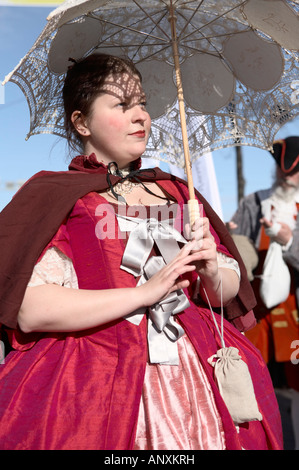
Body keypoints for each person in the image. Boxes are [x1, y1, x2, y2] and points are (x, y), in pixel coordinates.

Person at [0, 54, 282, 450]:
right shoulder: (58, 195)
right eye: (122, 104)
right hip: (95, 376)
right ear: (81, 122)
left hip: (197, 368)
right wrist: (142, 295)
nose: (141, 117)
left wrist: (212, 269)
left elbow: (223, 296)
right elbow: (30, 310)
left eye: (143, 103)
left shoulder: (177, 191)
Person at [229, 136, 299, 449]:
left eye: (294, 172)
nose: (287, 177)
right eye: (283, 171)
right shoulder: (253, 202)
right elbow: (240, 259)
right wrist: (231, 242)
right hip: (258, 317)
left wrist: (288, 241)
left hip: (295, 319)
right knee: (259, 385)